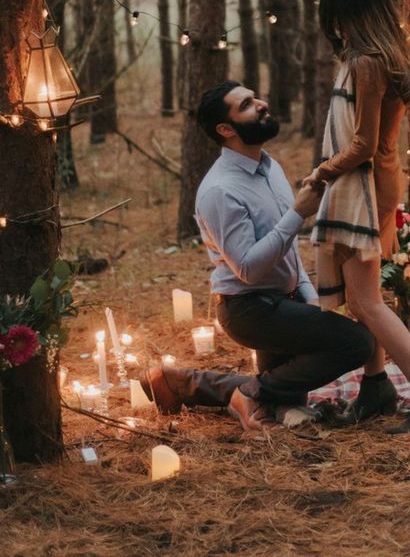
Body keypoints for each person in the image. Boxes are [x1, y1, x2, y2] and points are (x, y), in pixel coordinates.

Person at [140, 81, 375, 430]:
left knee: (286, 399)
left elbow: (287, 252)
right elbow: (248, 268)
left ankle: (180, 382)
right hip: (249, 309)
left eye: (256, 97)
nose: (262, 104)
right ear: (226, 129)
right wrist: (298, 214)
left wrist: (310, 298)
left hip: (285, 298)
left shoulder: (269, 166)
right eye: (247, 104)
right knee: (358, 343)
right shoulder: (220, 190)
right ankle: (251, 391)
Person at [305, 0, 410, 433]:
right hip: (370, 180)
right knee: (360, 295)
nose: (333, 26)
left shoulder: (368, 63)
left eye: (337, 15)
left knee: (366, 301)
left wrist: (320, 174)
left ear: (354, 13)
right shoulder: (372, 57)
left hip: (365, 184)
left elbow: (364, 143)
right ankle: (376, 385)